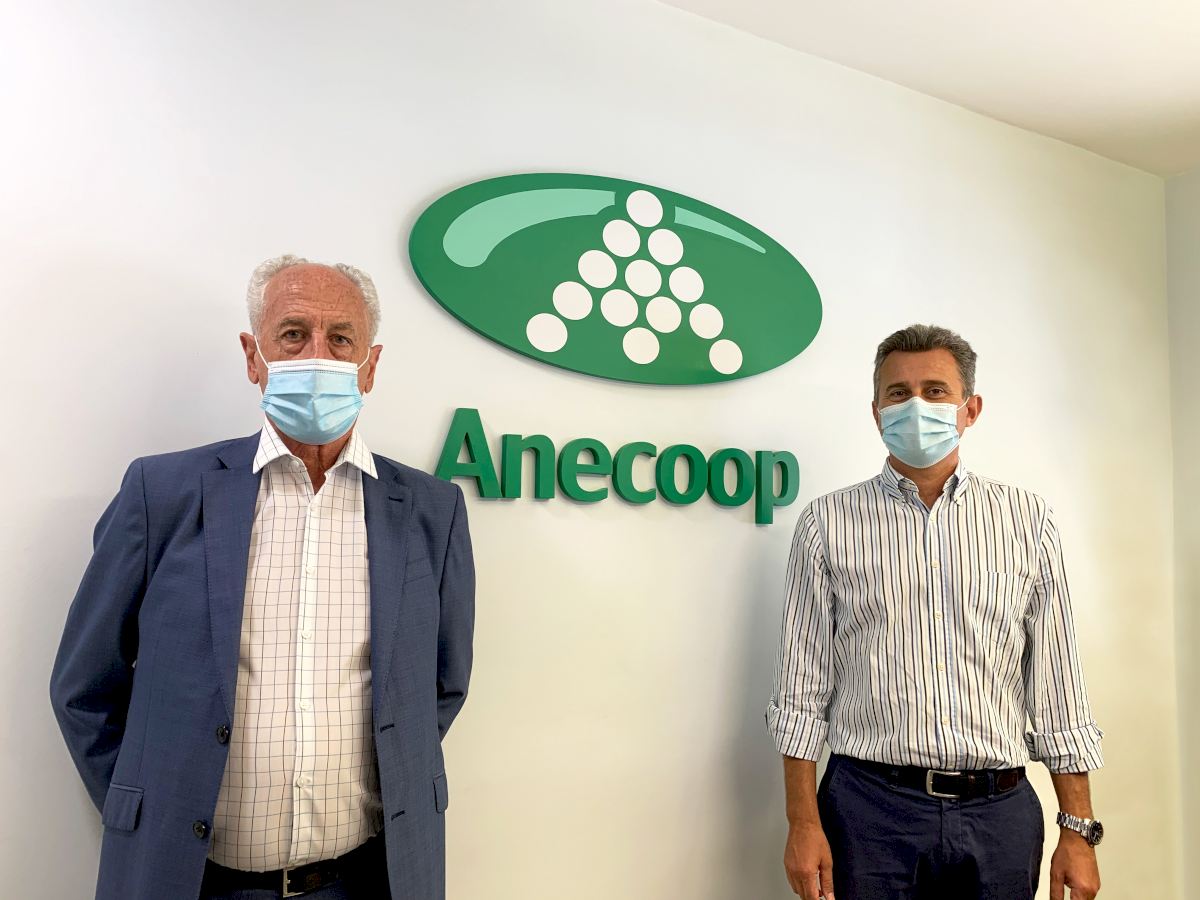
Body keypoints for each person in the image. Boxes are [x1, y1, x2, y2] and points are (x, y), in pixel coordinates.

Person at [50, 255, 475, 900]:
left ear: (370, 365)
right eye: (293, 334)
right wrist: (148, 810)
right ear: (254, 356)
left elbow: (441, 686)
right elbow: (85, 686)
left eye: (341, 338)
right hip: (189, 880)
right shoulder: (161, 494)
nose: (318, 355)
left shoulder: (430, 511)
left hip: (366, 879)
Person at [767, 324, 1103, 900]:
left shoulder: (1027, 522)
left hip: (999, 813)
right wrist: (802, 823)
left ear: (970, 409)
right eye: (898, 393)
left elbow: (1058, 687)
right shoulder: (827, 524)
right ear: (876, 412)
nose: (915, 405)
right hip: (868, 812)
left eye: (935, 390)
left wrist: (1079, 831)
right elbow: (800, 691)